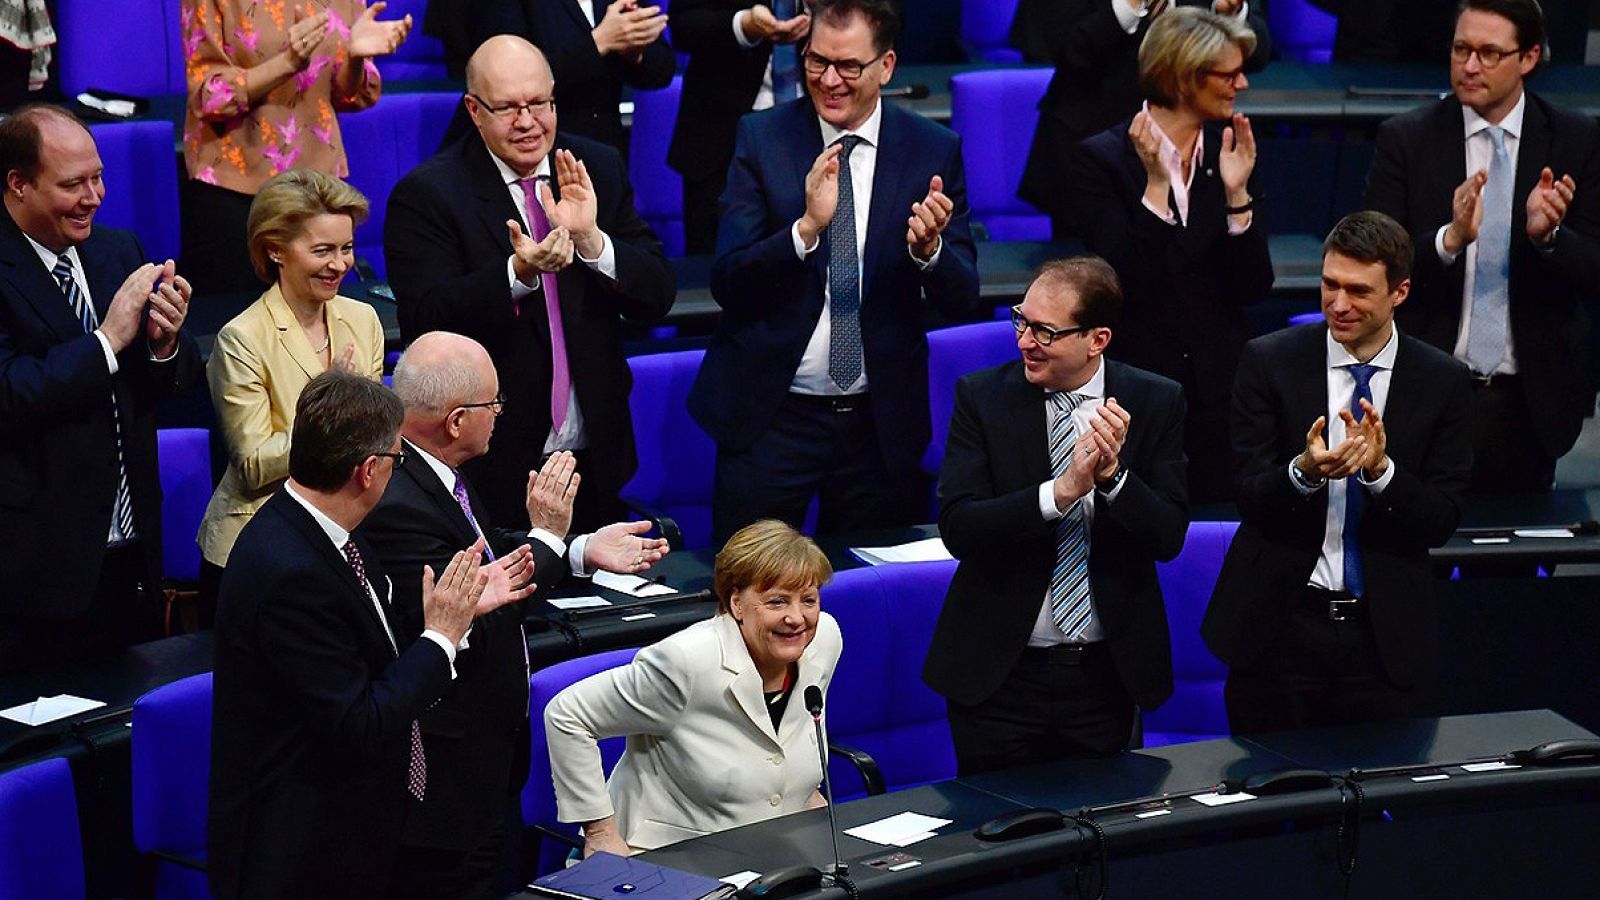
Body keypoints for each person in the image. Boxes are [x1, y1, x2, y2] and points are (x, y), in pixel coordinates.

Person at [359, 331, 668, 899]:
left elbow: (485, 548)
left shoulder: (429, 472)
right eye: (493, 403)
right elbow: (477, 611)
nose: (501, 413)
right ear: (456, 421)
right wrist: (548, 536)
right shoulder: (396, 502)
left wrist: (578, 549)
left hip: (486, 765)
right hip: (444, 783)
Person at [208, 369, 510, 900]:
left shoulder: (337, 538)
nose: (401, 469)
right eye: (398, 458)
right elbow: (358, 722)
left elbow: (370, 650)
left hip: (356, 835)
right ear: (369, 470)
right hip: (304, 860)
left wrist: (450, 621)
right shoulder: (289, 572)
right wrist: (440, 637)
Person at [690, 0, 982, 545]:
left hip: (878, 426)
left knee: (871, 596)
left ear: (887, 66)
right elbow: (727, 280)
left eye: (848, 66)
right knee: (748, 594)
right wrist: (803, 231)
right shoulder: (762, 138)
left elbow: (964, 293)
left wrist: (929, 251)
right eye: (816, 61)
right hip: (772, 418)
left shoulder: (931, 151)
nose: (829, 80)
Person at [386, 35, 675, 534]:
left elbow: (657, 292)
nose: (528, 121)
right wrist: (517, 275)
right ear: (474, 111)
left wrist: (592, 240)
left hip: (596, 453)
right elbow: (425, 319)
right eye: (508, 108)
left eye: (539, 103)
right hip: (493, 461)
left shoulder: (594, 167)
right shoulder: (428, 194)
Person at [1202, 211, 1474, 734]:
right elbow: (1248, 495)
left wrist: (1382, 473)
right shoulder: (1268, 361)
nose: (1339, 304)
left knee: (1372, 804)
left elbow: (1442, 518)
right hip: (1278, 631)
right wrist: (1303, 472)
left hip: (1383, 638)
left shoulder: (1443, 381)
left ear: (1400, 292)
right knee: (1271, 803)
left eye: (1358, 290)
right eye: (1329, 285)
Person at [922, 257, 1188, 776]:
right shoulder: (982, 397)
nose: (1024, 341)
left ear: (1098, 339)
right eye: (1022, 320)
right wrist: (1059, 493)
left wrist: (1113, 479)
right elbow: (959, 526)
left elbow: (1168, 536)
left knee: (1095, 840)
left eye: (1045, 331)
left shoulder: (1155, 401)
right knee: (996, 841)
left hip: (1104, 680)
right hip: (1000, 677)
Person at [1364, 0, 1599, 493]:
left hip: (1529, 403)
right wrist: (1449, 240)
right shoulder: (1405, 139)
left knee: (1511, 568)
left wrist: (1549, 238)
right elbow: (1373, 264)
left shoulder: (1576, 140)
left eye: (1489, 53)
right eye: (1461, 49)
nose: (1470, 66)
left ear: (1529, 58)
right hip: (1426, 392)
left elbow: (1593, 268)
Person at [0, 104, 202, 674]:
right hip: (36, 568)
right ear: (18, 184)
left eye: (98, 177)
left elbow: (171, 379)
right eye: (73, 184)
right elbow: (10, 392)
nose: (95, 196)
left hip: (132, 553)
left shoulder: (118, 250)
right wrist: (108, 342)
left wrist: (165, 343)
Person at [1061, 6, 1273, 504]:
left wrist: (1237, 197)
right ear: (1183, 78)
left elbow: (1252, 287)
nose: (1241, 83)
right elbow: (1121, 284)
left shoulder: (1230, 152)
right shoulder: (1100, 160)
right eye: (1228, 73)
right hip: (1136, 398)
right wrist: (1155, 190)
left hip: (1219, 396)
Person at [546, 519, 840, 854]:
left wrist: (802, 795)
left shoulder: (822, 640)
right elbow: (566, 715)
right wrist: (600, 833)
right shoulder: (686, 662)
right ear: (736, 604)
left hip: (773, 848)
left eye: (809, 600)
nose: (797, 617)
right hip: (671, 854)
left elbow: (783, 740)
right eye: (777, 602)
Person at [198, 170, 385, 612]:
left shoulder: (363, 320)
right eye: (322, 251)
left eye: (347, 248)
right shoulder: (242, 338)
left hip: (345, 534)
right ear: (276, 250)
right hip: (257, 548)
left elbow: (374, 438)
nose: (339, 265)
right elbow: (253, 464)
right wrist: (332, 408)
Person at [180, 0, 412, 295]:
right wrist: (287, 63)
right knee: (235, 321)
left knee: (314, 323)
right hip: (235, 189)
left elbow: (347, 95)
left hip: (318, 188)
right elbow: (207, 96)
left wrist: (355, 58)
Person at [1015, 0, 1271, 240]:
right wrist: (1128, 6)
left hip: (1201, 154)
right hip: (1090, 150)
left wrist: (1230, 14)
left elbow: (1258, 52)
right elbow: (1054, 46)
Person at [669, 0, 814, 253]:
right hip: (719, 141)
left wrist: (827, 12)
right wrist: (743, 25)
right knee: (713, 274)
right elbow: (683, 26)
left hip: (820, 131)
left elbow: (886, 16)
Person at [466, 0, 673, 154]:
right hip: (531, 149)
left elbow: (661, 70)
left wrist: (635, 54)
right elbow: (505, 76)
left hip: (604, 151)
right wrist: (599, 42)